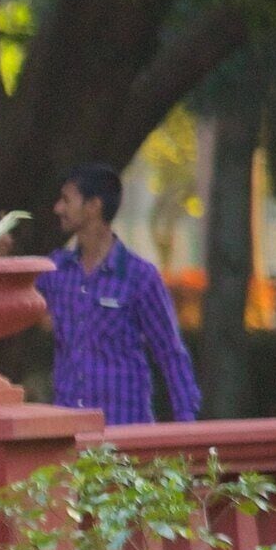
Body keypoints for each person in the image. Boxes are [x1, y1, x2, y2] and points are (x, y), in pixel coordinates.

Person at [37, 163, 201, 425]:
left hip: (124, 431)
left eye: (67, 200)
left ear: (94, 206)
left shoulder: (140, 277)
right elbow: (12, 301)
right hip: (69, 433)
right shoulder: (55, 271)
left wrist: (186, 421)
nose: (58, 208)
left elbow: (170, 352)